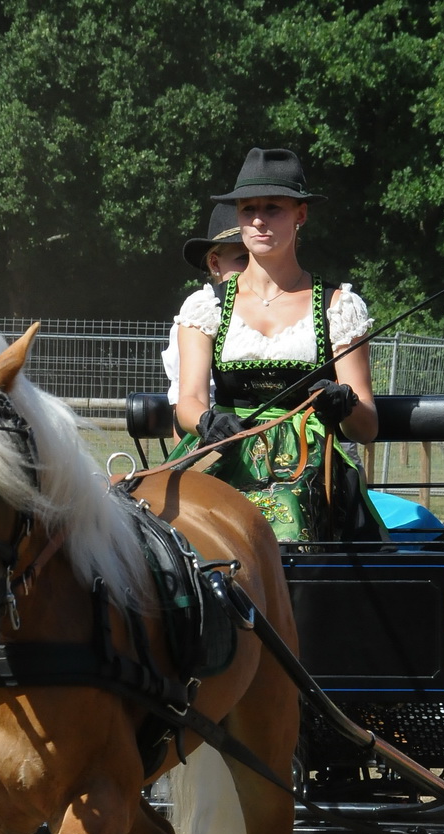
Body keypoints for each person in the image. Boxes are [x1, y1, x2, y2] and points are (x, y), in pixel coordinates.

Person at [173, 146, 380, 542]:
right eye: (248, 209)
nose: (258, 220)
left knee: (286, 515)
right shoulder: (205, 306)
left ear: (300, 215)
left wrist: (344, 403)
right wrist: (206, 421)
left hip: (310, 467)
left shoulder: (339, 307)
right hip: (225, 451)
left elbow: (367, 427)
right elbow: (189, 401)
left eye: (273, 209)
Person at [161, 207, 248, 406]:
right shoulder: (201, 315)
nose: (254, 267)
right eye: (243, 258)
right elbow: (184, 401)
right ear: (215, 263)